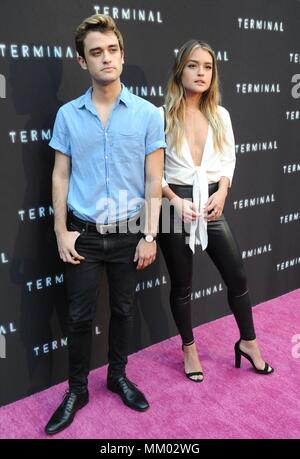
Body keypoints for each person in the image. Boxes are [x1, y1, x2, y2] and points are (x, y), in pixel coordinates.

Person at [45, 14, 165, 435]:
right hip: (84, 233)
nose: (106, 58)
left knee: (123, 310)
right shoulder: (67, 115)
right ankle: (77, 390)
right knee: (78, 318)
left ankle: (117, 376)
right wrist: (61, 230)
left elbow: (154, 179)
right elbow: (60, 174)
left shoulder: (149, 115)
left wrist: (150, 234)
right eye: (96, 52)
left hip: (130, 232)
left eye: (112, 50)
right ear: (83, 62)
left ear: (122, 54)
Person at [158, 40, 274, 382]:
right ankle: (189, 348)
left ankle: (249, 342)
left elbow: (228, 159)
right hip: (172, 203)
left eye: (207, 67)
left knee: (237, 275)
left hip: (210, 201)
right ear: (180, 69)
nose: (201, 73)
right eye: (193, 65)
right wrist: (173, 200)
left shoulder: (220, 114)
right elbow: (149, 169)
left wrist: (223, 189)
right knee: (182, 284)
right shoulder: (160, 115)